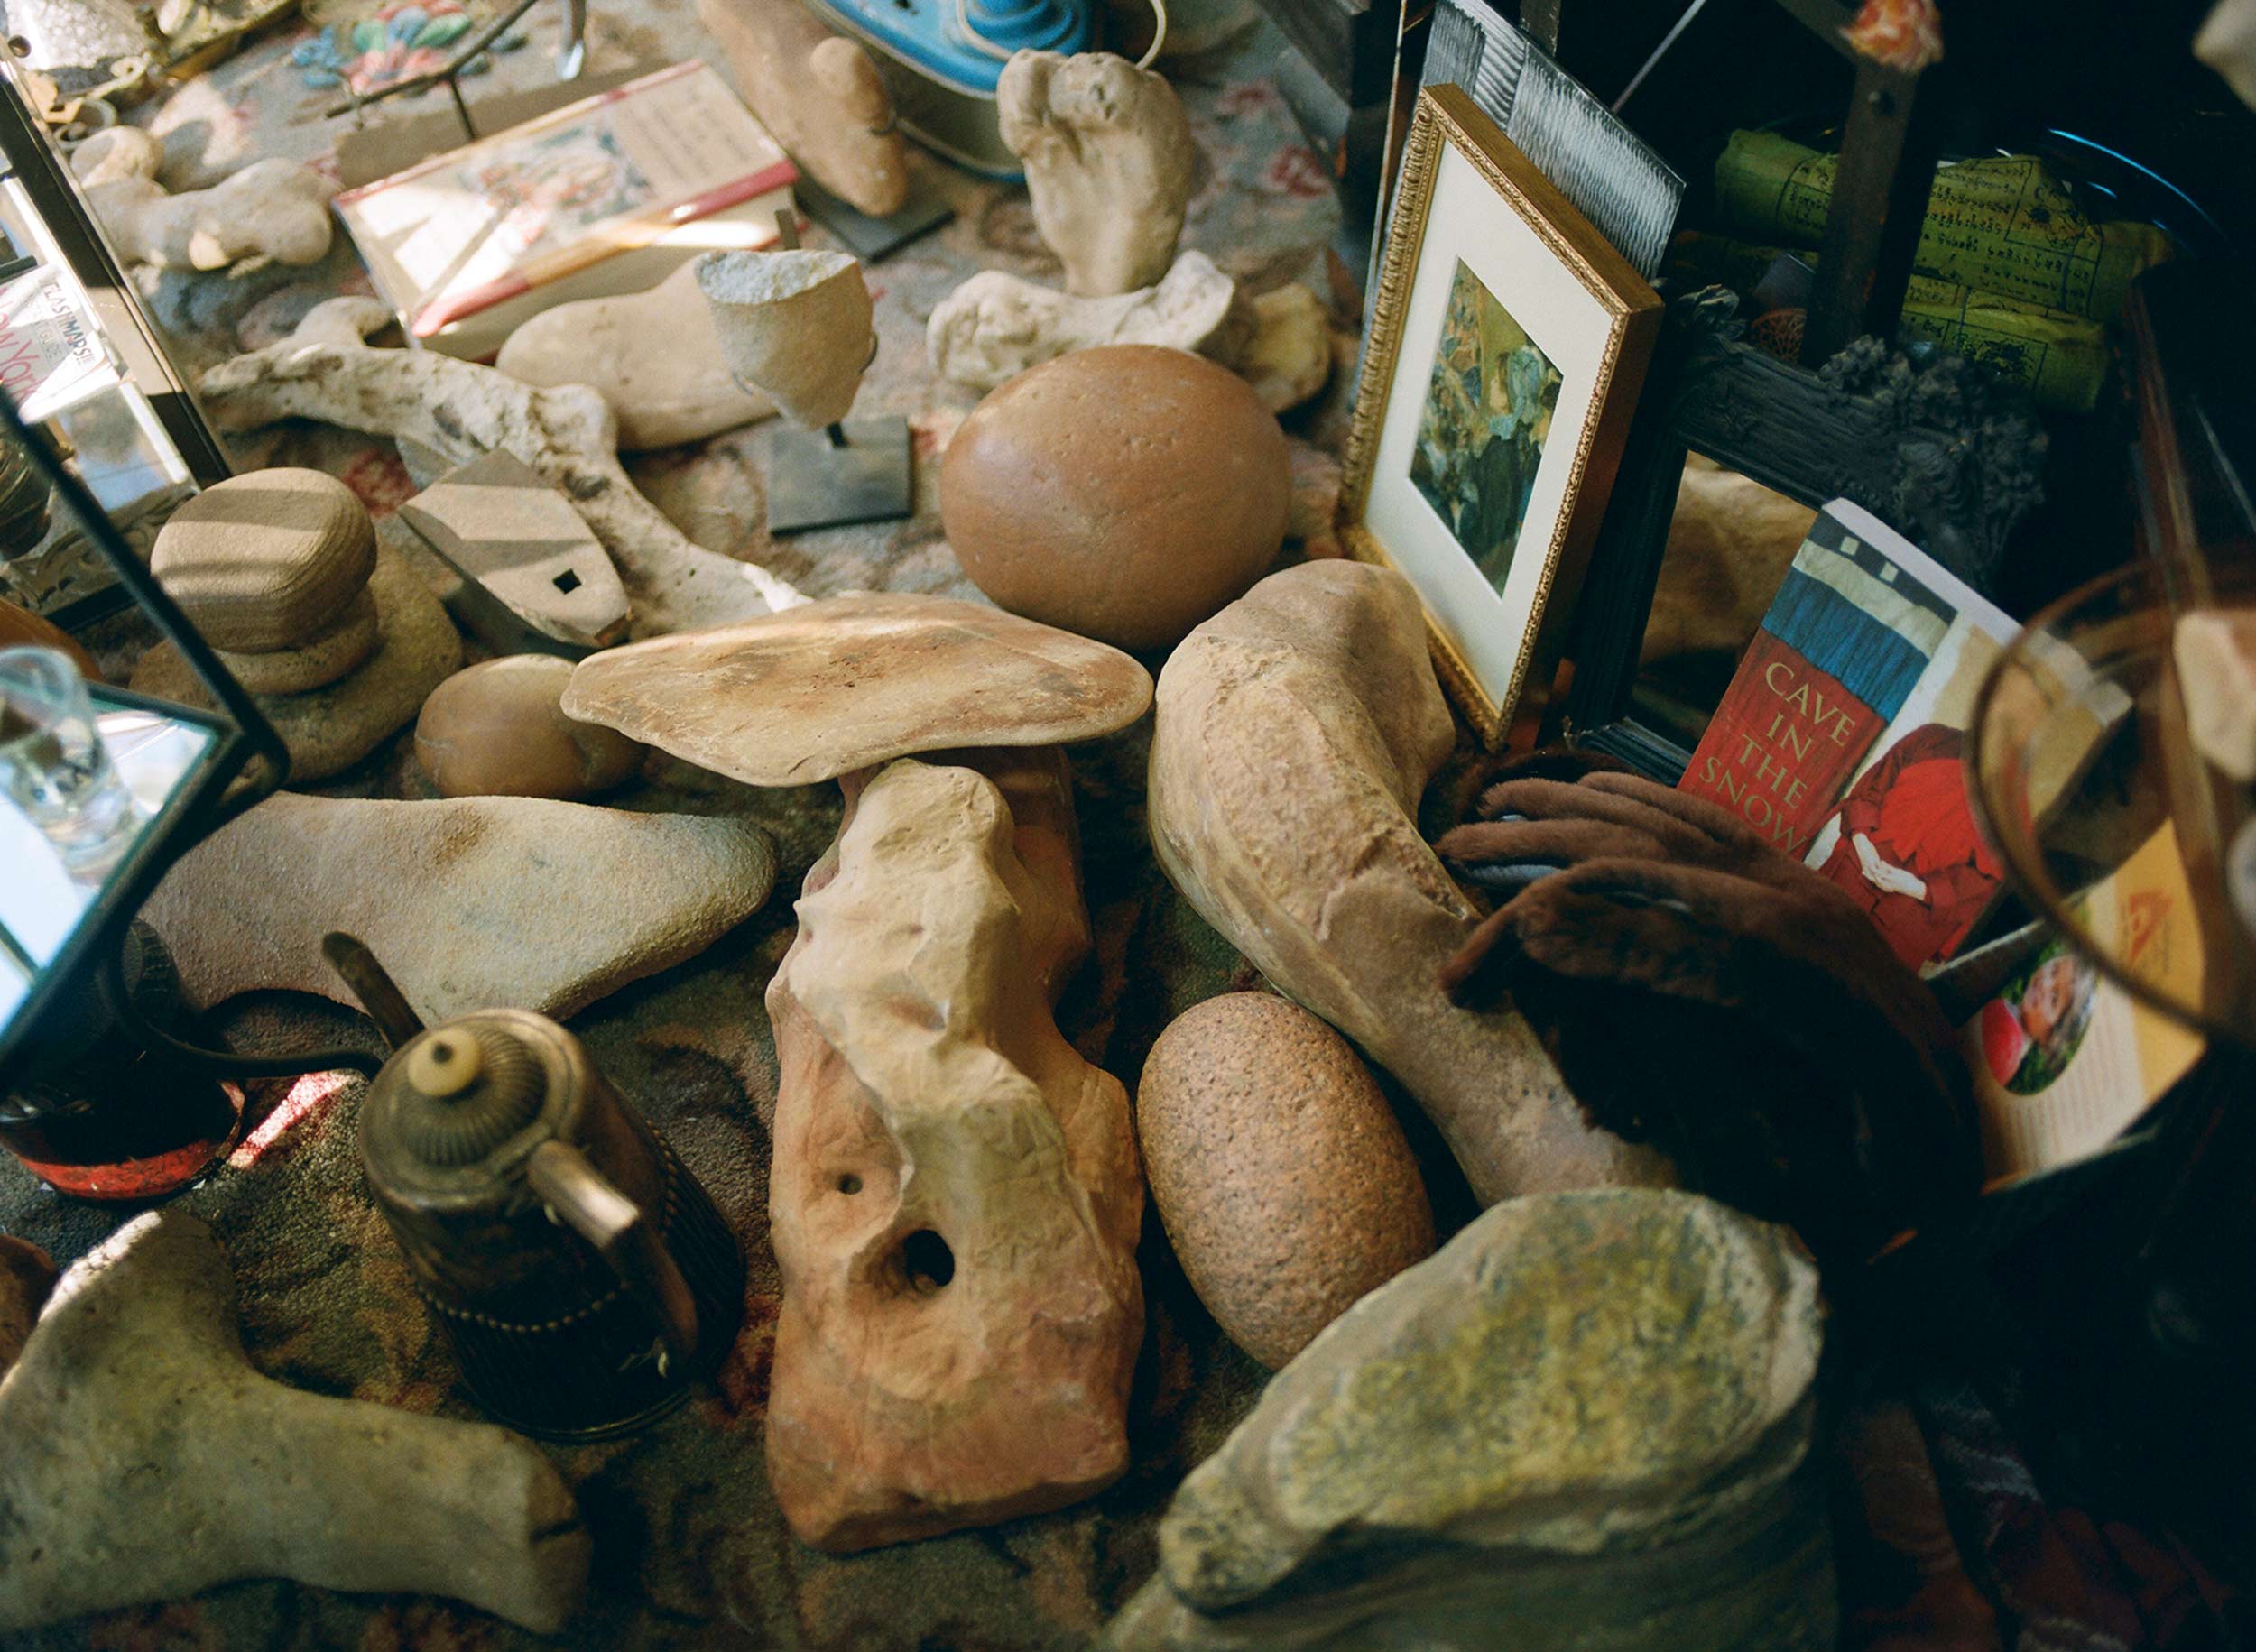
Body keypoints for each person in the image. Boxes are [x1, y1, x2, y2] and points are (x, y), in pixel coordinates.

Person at [1817, 722, 2001, 967]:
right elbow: (1872, 788)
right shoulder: (1932, 737)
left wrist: (1919, 888)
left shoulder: (2007, 808)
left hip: (1910, 917)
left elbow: (1983, 885)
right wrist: (1862, 843)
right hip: (1857, 870)